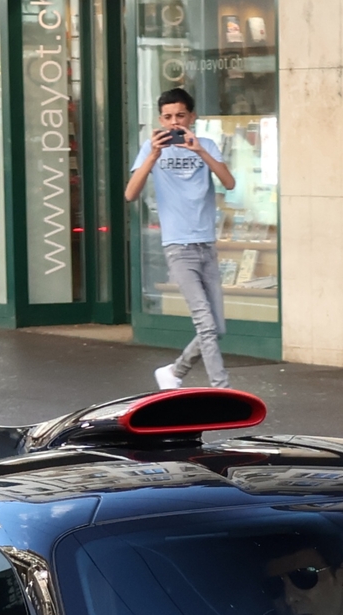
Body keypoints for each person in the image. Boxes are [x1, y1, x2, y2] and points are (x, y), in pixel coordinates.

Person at [123, 87, 237, 390]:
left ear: (192, 116)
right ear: (160, 119)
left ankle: (174, 371)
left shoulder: (207, 145)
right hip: (178, 246)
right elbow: (130, 193)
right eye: (168, 117)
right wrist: (154, 155)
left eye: (180, 116)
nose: (174, 123)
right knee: (206, 325)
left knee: (218, 328)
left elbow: (229, 182)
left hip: (206, 245)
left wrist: (199, 150)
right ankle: (221, 389)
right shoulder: (151, 149)